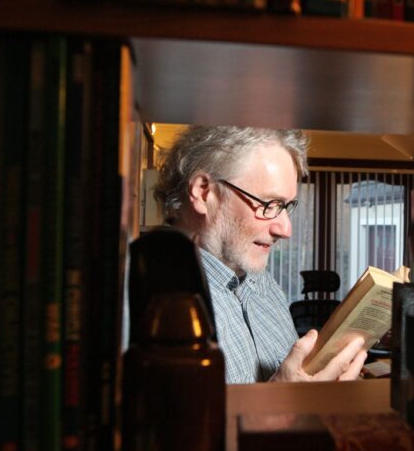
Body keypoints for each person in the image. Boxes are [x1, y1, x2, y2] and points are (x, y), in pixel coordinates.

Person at [153, 125, 367, 383]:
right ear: (203, 191)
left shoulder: (265, 284)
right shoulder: (142, 297)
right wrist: (280, 400)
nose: (285, 229)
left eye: (286, 206)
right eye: (269, 204)